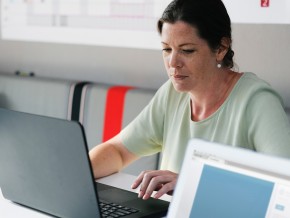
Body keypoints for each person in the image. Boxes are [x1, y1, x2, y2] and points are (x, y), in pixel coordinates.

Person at [89, 0, 290, 200]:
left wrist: (192, 183)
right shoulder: (171, 94)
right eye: (167, 49)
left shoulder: (257, 101)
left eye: (186, 50)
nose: (173, 63)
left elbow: (284, 187)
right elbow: (118, 151)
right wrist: (70, 175)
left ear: (221, 48)